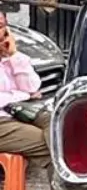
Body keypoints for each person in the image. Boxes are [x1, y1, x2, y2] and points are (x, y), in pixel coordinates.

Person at [0, 11, 51, 176]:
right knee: (49, 144)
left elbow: (31, 86)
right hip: (3, 120)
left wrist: (14, 55)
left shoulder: (8, 57)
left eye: (1, 26)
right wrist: (24, 96)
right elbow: (28, 93)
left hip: (22, 111)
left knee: (60, 125)